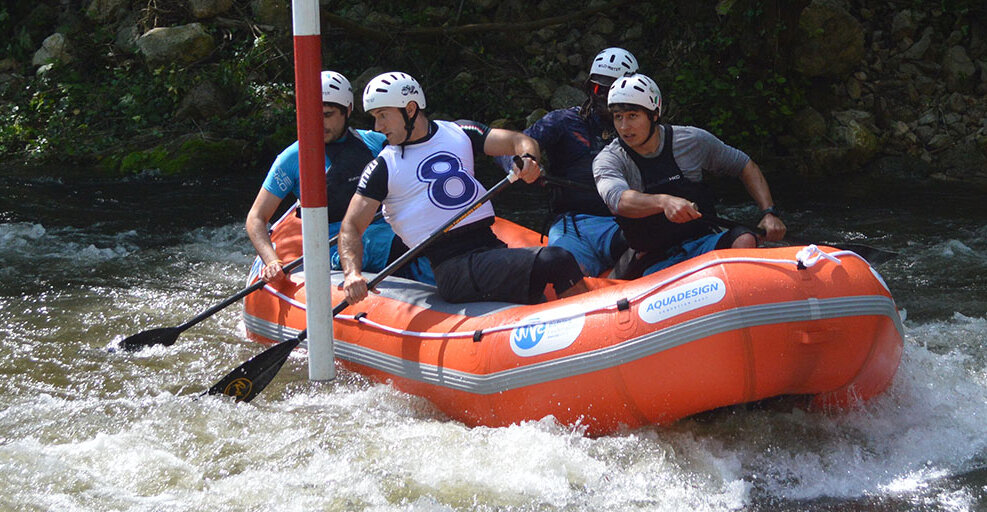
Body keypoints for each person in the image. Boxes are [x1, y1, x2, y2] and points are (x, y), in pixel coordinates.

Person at [339, 72, 593, 305]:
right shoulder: (382, 167)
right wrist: (352, 274)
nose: (377, 127)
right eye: (375, 117)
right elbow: (351, 226)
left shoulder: (459, 131)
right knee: (557, 260)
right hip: (453, 267)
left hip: (489, 247)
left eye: (383, 115)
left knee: (542, 284)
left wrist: (529, 160)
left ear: (411, 109)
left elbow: (519, 140)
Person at [245, 70, 432, 284]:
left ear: (348, 111)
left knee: (427, 245)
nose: (318, 123)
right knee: (404, 246)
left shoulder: (376, 143)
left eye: (327, 115)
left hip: (385, 231)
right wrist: (271, 261)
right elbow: (256, 217)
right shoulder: (293, 158)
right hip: (334, 247)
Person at [593, 73, 787, 278]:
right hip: (652, 257)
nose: (624, 127)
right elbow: (618, 200)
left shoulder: (691, 140)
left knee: (745, 239)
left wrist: (769, 212)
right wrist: (663, 202)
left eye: (633, 116)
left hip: (702, 242)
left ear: (654, 114)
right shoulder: (609, 159)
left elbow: (744, 165)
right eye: (618, 117)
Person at [501, 47, 638, 277]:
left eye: (612, 89)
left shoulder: (643, 128)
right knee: (559, 275)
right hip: (574, 225)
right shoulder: (564, 122)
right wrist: (521, 162)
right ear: (589, 88)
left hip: (624, 224)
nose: (603, 96)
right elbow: (510, 146)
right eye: (597, 88)